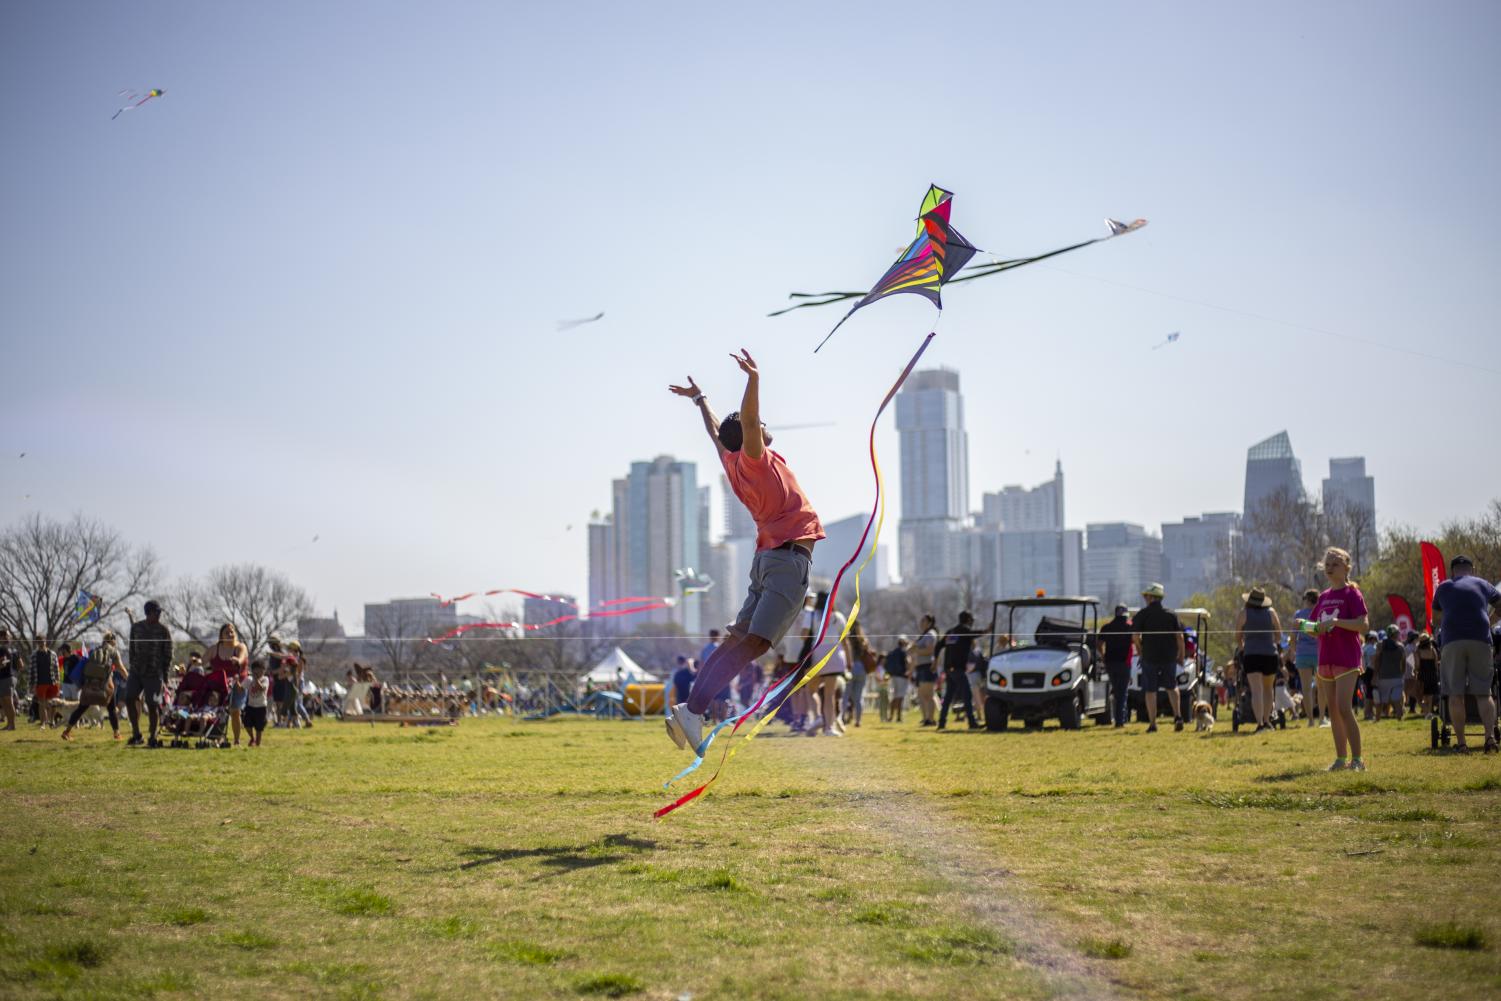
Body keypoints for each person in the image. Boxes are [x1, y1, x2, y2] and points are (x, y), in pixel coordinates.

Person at [663, 350, 825, 754]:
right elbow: (747, 421)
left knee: (739, 641)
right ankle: (694, 710)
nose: (765, 427)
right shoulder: (754, 459)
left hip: (767, 560)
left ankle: (691, 710)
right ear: (752, 436)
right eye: (760, 426)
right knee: (754, 644)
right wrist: (754, 379)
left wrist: (701, 400)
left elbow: (716, 432)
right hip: (787, 561)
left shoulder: (733, 460)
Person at [1431, 554, 1501, 754]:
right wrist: (1490, 619)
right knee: (1484, 693)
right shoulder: (1482, 583)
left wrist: (1446, 620)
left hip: (1452, 640)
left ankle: (1461, 744)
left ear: (1452, 571)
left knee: (1455, 694)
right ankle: (1489, 739)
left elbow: (1436, 618)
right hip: (1480, 638)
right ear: (1472, 569)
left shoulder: (1444, 586)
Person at [1310, 547, 1370, 771]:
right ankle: (1340, 759)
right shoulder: (1324, 597)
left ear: (1346, 567)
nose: (1329, 567)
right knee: (1333, 710)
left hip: (1347, 658)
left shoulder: (1352, 593)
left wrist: (1336, 622)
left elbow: (1363, 625)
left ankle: (1358, 760)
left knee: (1344, 707)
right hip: (1326, 658)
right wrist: (1306, 627)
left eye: (1335, 563)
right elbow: (1316, 627)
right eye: (1327, 563)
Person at [1132, 584, 1185, 732]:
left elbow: (1135, 637)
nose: (1144, 599)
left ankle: (1153, 723)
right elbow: (1180, 637)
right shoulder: (1171, 614)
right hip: (1169, 656)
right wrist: (1181, 655)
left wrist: (1141, 651)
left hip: (1150, 656)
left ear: (1151, 597)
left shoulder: (1142, 614)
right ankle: (1178, 717)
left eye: (1146, 596)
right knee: (1172, 686)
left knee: (1150, 690)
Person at [1234, 586, 1284, 732]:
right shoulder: (1271, 612)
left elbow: (1237, 634)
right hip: (1270, 654)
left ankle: (1260, 722)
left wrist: (1242, 646)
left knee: (1256, 690)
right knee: (1269, 689)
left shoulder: (1244, 613)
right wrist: (1272, 643)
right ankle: (1268, 721)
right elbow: (1279, 635)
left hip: (1252, 654)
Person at [127, 599, 172, 747]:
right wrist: (132, 665)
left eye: (159, 612)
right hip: (136, 672)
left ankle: (152, 736)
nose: (158, 615)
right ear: (148, 613)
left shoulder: (163, 630)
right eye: (156, 612)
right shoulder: (136, 628)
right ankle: (136, 734)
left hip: (154, 673)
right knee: (129, 698)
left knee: (153, 705)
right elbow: (132, 649)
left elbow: (168, 654)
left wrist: (165, 676)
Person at [61, 633, 124, 740]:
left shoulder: (93, 651)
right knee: (111, 709)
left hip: (89, 685)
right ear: (112, 640)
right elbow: (121, 668)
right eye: (115, 640)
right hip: (106, 685)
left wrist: (81, 684)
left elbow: (83, 666)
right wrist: (129, 678)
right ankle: (116, 734)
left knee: (81, 708)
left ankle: (67, 731)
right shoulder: (113, 652)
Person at [806, 595, 849, 738]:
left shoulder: (812, 615)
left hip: (817, 655)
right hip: (836, 656)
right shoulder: (838, 616)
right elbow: (846, 641)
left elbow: (803, 635)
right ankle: (829, 728)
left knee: (811, 689)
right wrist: (849, 661)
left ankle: (818, 717)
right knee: (830, 694)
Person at [937, 611, 981, 730]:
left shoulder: (951, 632)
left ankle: (941, 722)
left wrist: (936, 660)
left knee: (948, 697)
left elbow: (938, 646)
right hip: (957, 669)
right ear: (968, 620)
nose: (972, 622)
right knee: (967, 695)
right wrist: (987, 630)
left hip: (949, 669)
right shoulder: (964, 630)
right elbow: (974, 634)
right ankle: (972, 722)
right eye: (971, 620)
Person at [207, 624, 249, 745]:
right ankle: (217, 737)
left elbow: (241, 658)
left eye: (232, 632)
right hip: (220, 684)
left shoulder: (240, 646)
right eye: (227, 632)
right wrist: (194, 663)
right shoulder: (214, 649)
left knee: (235, 711)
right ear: (221, 635)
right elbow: (202, 661)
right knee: (218, 711)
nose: (230, 634)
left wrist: (237, 660)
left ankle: (236, 740)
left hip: (238, 684)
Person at [1289, 588, 1324, 726]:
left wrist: (1294, 651)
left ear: (1307, 600)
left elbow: (1292, 637)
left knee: (1306, 688)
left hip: (1302, 654)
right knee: (1322, 687)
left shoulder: (1298, 615)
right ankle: (1321, 718)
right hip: (1320, 653)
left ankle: (1310, 720)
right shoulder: (1320, 613)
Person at [1097, 604, 1134, 728]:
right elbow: (1137, 641)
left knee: (1116, 691)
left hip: (1110, 663)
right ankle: (1120, 721)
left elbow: (1099, 644)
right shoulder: (1129, 627)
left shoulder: (1106, 627)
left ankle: (1120, 718)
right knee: (1122, 692)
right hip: (1124, 663)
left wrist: (1103, 657)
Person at [1371, 625, 1407, 721]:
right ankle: (1399, 718)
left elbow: (1377, 661)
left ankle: (1377, 719)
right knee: (1396, 700)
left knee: (1380, 700)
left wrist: (1375, 674)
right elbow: (1403, 662)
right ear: (1395, 634)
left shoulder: (1380, 645)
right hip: (1397, 677)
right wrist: (1402, 673)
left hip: (1383, 677)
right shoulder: (1401, 647)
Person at [843, 620, 874, 728]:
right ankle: (858, 720)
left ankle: (841, 719)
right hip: (861, 669)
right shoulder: (863, 640)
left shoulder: (847, 638)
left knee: (845, 695)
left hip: (850, 667)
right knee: (858, 697)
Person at [912, 614, 940, 727]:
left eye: (923, 620)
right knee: (922, 695)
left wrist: (916, 650)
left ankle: (931, 719)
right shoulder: (924, 635)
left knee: (929, 694)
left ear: (929, 622)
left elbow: (930, 650)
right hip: (921, 667)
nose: (921, 623)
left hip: (927, 666)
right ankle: (925, 718)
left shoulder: (930, 634)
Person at [31, 635, 60, 729]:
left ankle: (52, 721)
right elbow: (31, 670)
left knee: (53, 704)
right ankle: (43, 723)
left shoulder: (52, 654)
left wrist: (58, 681)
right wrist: (31, 685)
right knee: (41, 703)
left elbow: (57, 668)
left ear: (45, 641)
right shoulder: (34, 655)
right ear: (37, 643)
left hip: (52, 682)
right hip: (39, 682)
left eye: (42, 641)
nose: (41, 643)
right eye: (39, 641)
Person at [883, 636, 910, 723]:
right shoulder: (903, 652)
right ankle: (898, 717)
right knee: (900, 697)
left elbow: (885, 663)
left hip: (893, 676)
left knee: (895, 696)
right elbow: (907, 662)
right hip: (902, 676)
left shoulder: (892, 652)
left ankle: (891, 716)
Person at [244, 659, 270, 746]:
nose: (258, 671)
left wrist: (256, 679)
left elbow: (262, 688)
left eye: (261, 669)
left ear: (264, 671)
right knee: (247, 724)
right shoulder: (249, 679)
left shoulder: (265, 679)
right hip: (250, 706)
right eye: (256, 669)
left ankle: (258, 744)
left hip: (261, 707)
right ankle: (252, 738)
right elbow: (241, 688)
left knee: (259, 728)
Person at [1414, 632, 1440, 718]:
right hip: (1432, 675)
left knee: (1419, 696)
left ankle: (1425, 711)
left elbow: (1417, 665)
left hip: (1423, 674)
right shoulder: (1433, 650)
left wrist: (1415, 671)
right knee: (1430, 696)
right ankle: (1428, 712)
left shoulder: (1418, 651)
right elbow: (1436, 664)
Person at [0, 628, 18, 731]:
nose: (8, 637)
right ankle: (9, 724)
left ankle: (12, 725)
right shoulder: (15, 649)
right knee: (3, 701)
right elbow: (21, 664)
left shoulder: (2, 649)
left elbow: (2, 663)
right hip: (12, 677)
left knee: (8, 701)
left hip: (6, 677)